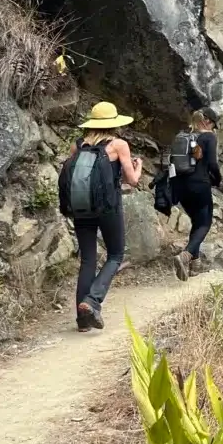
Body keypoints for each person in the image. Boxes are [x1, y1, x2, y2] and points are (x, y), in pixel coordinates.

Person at [66, 102, 142, 331]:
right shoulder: (118, 145)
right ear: (113, 124)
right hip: (108, 207)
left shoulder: (77, 146)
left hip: (81, 207)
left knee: (88, 259)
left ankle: (82, 322)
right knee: (116, 254)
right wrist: (138, 167)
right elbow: (132, 180)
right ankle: (92, 301)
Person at [171, 108, 221, 281]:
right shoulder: (209, 137)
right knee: (205, 223)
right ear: (206, 121)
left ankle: (195, 264)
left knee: (196, 222)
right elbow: (213, 164)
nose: (214, 128)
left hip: (181, 186)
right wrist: (218, 179)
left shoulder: (183, 135)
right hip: (199, 184)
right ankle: (185, 255)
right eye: (213, 124)